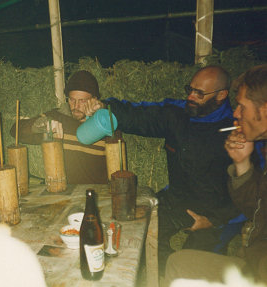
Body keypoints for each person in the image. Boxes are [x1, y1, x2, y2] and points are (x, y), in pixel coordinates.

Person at [85, 65, 241, 275]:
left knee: (191, 268)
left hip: (214, 212)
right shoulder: (178, 113)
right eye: (190, 89)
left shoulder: (236, 131)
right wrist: (105, 107)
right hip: (177, 199)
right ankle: (163, 272)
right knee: (135, 240)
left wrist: (215, 220)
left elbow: (253, 192)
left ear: (222, 95)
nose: (191, 97)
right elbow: (140, 114)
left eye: (200, 93)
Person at [164, 64, 267, 286]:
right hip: (253, 263)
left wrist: (215, 220)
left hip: (259, 271)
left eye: (241, 106)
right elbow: (256, 209)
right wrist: (242, 164)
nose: (236, 113)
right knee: (177, 263)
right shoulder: (261, 146)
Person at [11, 70, 112, 184]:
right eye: (72, 100)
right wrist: (40, 125)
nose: (76, 106)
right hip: (63, 194)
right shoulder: (57, 117)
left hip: (96, 194)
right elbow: (15, 130)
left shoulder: (106, 125)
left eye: (82, 101)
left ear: (94, 100)